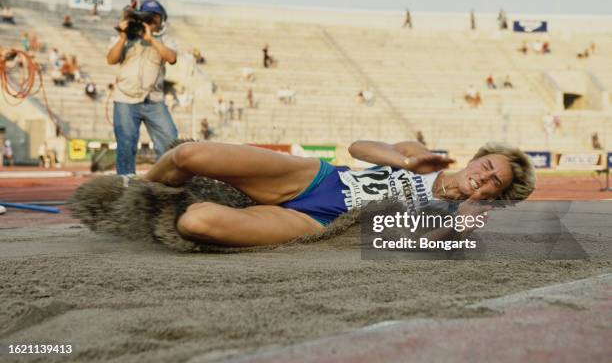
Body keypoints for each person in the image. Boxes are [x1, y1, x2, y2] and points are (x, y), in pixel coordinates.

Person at [142, 140, 535, 247]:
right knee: (190, 154)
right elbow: (359, 148)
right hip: (317, 179)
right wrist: (404, 161)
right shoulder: (424, 156)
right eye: (487, 166)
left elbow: (413, 248)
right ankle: (131, 196)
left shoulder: (462, 220)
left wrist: (456, 230)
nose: (484, 177)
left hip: (318, 222)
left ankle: (171, 210)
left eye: (494, 182)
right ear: (476, 159)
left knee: (196, 221)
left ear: (495, 196)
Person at [106, 0, 178, 175]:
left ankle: (166, 182)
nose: (152, 21)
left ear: (162, 20)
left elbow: (171, 58)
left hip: (154, 100)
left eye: (156, 17)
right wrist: (123, 37)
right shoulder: (125, 37)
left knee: (170, 140)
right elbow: (111, 59)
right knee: (126, 145)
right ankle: (126, 185)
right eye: (148, 17)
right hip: (125, 99)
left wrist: (151, 39)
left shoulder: (166, 39)